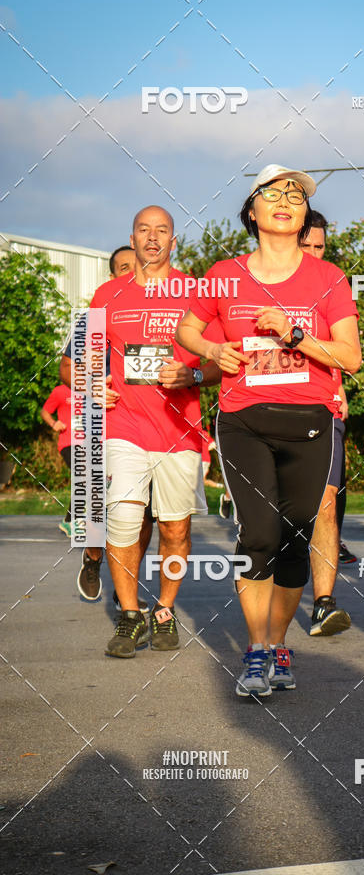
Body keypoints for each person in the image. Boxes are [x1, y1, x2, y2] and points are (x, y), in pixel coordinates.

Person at [176, 164, 361, 696]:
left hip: (310, 422)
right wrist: (213, 349)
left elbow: (350, 356)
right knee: (258, 534)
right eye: (273, 193)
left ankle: (280, 645)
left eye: (296, 195)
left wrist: (296, 333)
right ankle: (255, 651)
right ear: (251, 211)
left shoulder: (328, 279)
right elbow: (189, 327)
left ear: (304, 217)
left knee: (295, 538)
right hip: (243, 422)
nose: (285, 200)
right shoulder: (224, 272)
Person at [89, 205, 220, 657]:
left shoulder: (196, 291)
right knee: (123, 516)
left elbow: (221, 359)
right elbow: (87, 358)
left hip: (179, 430)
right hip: (124, 424)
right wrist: (95, 386)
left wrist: (195, 377)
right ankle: (129, 614)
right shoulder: (107, 294)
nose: (151, 238)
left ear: (173, 241)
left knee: (175, 531)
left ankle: (162, 610)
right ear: (133, 236)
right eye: (143, 230)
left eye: (161, 230)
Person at [58, 246, 151, 607]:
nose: (132, 274)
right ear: (113, 276)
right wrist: (92, 385)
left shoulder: (160, 315)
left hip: (151, 429)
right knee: (102, 504)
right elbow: (66, 368)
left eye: (138, 267)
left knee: (142, 515)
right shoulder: (97, 316)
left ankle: (126, 581)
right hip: (104, 424)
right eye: (124, 268)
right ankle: (94, 557)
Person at [299, 211, 355, 637]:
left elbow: (345, 349)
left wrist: (341, 388)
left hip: (324, 407)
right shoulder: (260, 278)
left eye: (320, 247)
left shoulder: (333, 281)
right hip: (267, 410)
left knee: (325, 504)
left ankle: (323, 603)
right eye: (308, 246)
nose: (315, 254)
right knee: (274, 517)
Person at [40, 384, 74, 537]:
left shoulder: (93, 388)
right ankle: (70, 520)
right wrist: (54, 423)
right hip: (69, 443)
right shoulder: (60, 391)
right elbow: (45, 412)